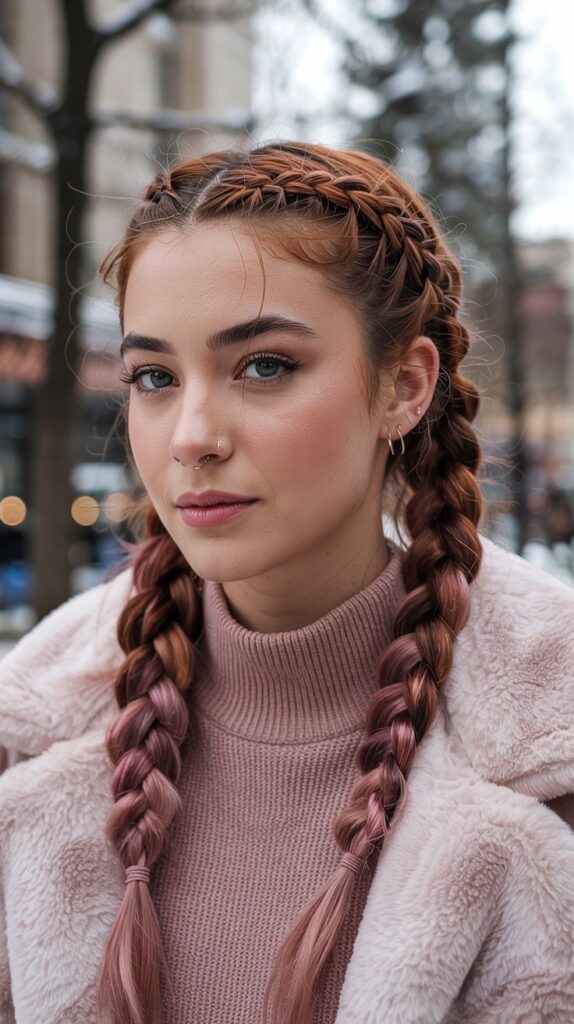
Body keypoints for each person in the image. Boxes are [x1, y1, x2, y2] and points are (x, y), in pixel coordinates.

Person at [1, 141, 573, 1024]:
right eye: (154, 377)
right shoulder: (27, 749)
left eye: (264, 365)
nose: (192, 436)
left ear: (405, 386)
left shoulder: (549, 757)